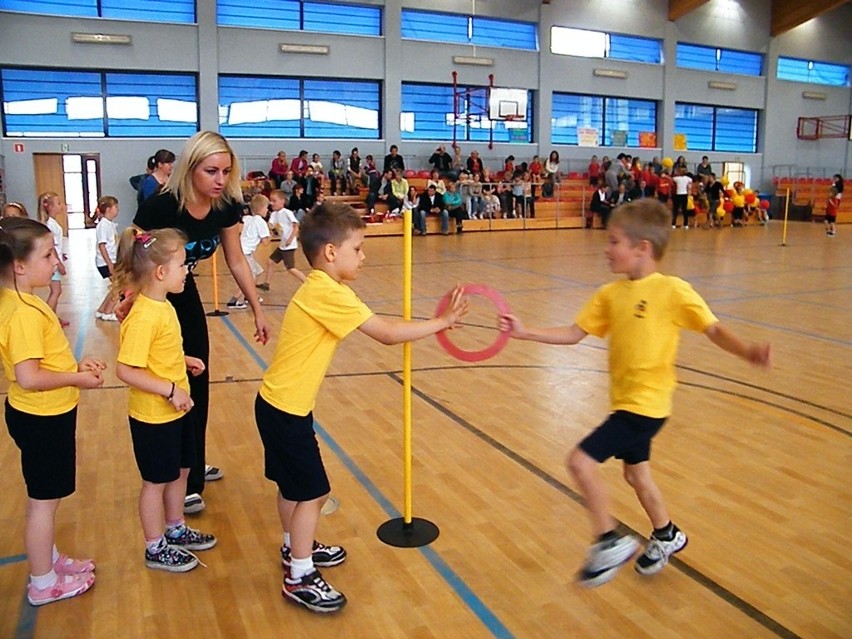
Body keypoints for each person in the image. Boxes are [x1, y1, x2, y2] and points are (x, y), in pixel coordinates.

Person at [499, 199, 771, 588]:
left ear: (642, 247)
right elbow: (575, 334)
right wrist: (525, 332)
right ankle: (666, 534)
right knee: (636, 476)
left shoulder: (674, 291)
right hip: (627, 401)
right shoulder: (610, 295)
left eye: (614, 242)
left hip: (647, 406)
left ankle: (607, 540)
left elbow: (712, 329)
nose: (606, 249)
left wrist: (747, 351)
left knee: (580, 462)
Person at [254, 203, 467, 613]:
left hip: (277, 404)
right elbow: (387, 334)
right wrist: (440, 323)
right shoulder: (327, 292)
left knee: (291, 487)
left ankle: (293, 547)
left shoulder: (322, 288)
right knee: (313, 492)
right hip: (286, 411)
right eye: (358, 248)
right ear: (331, 253)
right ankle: (299, 576)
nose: (364, 256)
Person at [134, 130, 270, 515]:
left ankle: (191, 462)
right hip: (156, 296)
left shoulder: (225, 205)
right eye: (211, 171)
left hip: (184, 289)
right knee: (169, 380)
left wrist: (257, 307)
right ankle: (181, 477)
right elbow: (135, 253)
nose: (220, 179)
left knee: (198, 379)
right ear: (191, 168)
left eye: (226, 171)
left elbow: (236, 259)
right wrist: (129, 299)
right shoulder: (162, 206)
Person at [0, 217, 106, 605]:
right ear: (19, 266)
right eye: (48, 255)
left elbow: (41, 364)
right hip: (41, 417)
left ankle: (49, 558)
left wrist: (75, 369)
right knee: (43, 502)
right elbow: (29, 376)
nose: (56, 261)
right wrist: (77, 380)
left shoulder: (19, 302)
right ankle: (43, 582)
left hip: (42, 413)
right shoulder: (23, 313)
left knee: (43, 499)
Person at [112, 227, 216, 573]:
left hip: (176, 410)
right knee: (155, 482)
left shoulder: (163, 306)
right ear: (160, 272)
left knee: (181, 471)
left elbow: (158, 352)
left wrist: (184, 360)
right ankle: (155, 546)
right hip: (154, 416)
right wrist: (170, 390)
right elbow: (126, 369)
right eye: (183, 265)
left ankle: (175, 528)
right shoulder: (143, 315)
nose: (187, 271)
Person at [228, 194, 271, 309]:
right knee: (249, 277)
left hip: (241, 250)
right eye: (266, 208)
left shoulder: (247, 218)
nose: (267, 210)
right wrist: (270, 231)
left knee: (257, 271)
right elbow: (265, 241)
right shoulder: (260, 221)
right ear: (262, 208)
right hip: (245, 252)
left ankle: (250, 296)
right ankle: (235, 299)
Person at [259, 189, 307, 290]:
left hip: (289, 245)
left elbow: (296, 226)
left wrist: (290, 239)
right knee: (270, 261)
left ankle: (307, 282)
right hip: (283, 245)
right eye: (271, 201)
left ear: (282, 201)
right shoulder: (274, 214)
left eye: (274, 200)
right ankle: (266, 284)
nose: (272, 203)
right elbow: (271, 225)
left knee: (290, 268)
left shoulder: (287, 212)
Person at [36, 192, 69, 327]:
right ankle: (49, 318)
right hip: (53, 263)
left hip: (54, 260)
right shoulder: (50, 224)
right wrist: (59, 263)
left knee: (56, 290)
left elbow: (57, 245)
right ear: (49, 207)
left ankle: (53, 316)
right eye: (58, 203)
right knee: (56, 291)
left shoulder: (53, 223)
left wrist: (62, 255)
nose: (61, 206)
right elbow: (52, 246)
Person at [94, 196, 120, 322]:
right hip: (106, 262)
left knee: (116, 285)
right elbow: (102, 245)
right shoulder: (103, 225)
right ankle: (108, 312)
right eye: (116, 207)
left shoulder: (109, 224)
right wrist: (109, 263)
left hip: (110, 260)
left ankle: (102, 309)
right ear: (109, 209)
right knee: (119, 285)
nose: (118, 210)